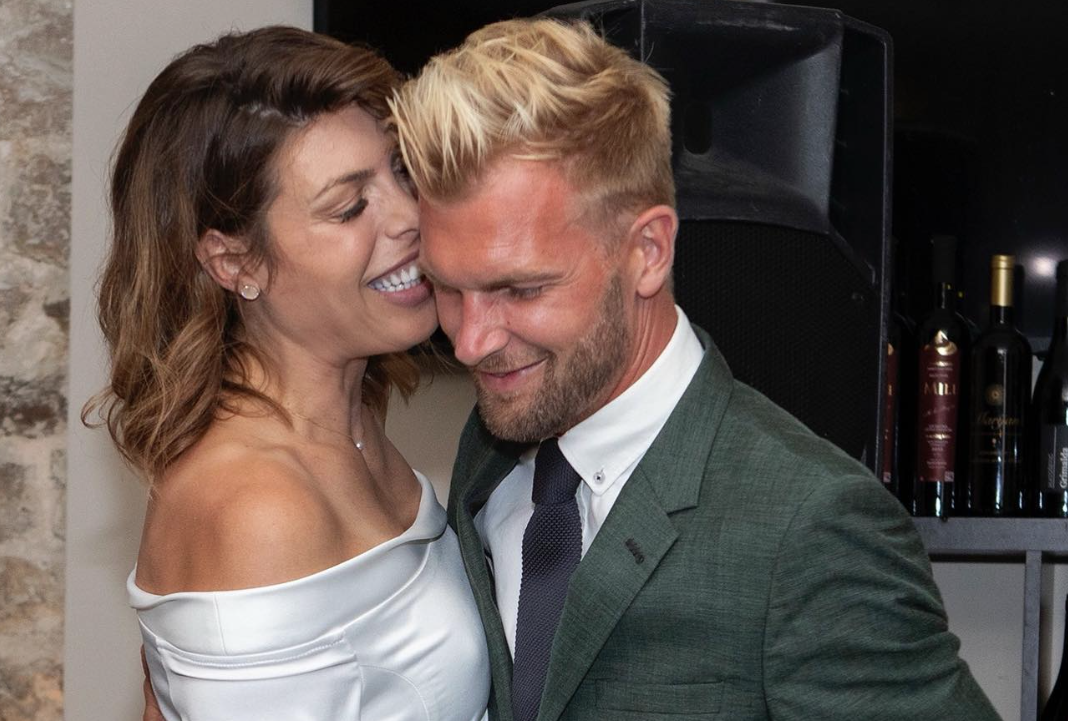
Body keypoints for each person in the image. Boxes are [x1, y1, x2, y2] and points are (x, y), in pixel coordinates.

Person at [390, 18, 1001, 721]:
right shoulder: (488, 452)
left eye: (521, 289)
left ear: (648, 250)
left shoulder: (814, 529)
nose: (470, 342)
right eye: (446, 286)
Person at [85, 26, 489, 721]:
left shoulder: (349, 423)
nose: (409, 217)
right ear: (235, 262)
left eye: (400, 172)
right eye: (349, 206)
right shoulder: (261, 510)